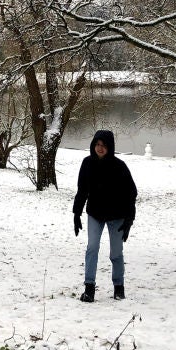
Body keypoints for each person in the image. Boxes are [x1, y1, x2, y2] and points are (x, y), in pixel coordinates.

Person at [72, 129, 137, 302]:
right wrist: (76, 213)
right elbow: (82, 190)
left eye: (104, 145)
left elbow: (131, 192)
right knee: (92, 248)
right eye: (97, 145)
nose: (100, 148)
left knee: (116, 253)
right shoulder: (87, 163)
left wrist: (129, 219)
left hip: (117, 216)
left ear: (110, 147)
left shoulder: (119, 166)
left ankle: (119, 287)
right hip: (95, 213)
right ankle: (89, 288)